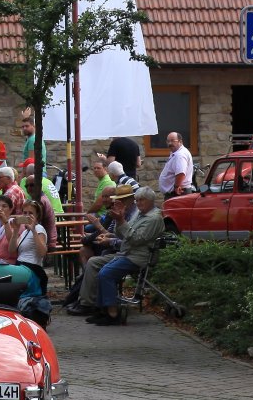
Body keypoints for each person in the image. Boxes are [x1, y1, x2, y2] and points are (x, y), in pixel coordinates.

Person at [74, 186, 163, 325]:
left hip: (137, 257)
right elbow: (121, 233)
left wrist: (120, 221)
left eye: (142, 200)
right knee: (99, 268)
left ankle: (113, 314)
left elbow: (136, 239)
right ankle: (101, 309)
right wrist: (118, 219)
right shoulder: (140, 214)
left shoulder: (153, 218)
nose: (139, 203)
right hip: (127, 253)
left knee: (106, 273)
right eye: (138, 200)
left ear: (151, 201)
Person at [157, 131, 193, 196]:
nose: (170, 143)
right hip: (177, 192)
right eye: (168, 141)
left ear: (180, 142)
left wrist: (176, 186)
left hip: (178, 192)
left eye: (173, 141)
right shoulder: (176, 152)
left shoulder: (180, 155)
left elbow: (181, 173)